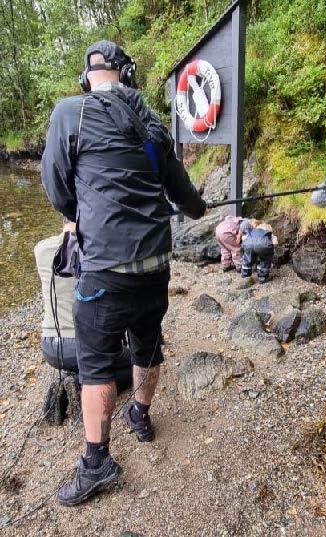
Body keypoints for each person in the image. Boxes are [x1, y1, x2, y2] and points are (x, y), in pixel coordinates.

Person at [41, 40, 206, 506]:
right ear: (126, 74)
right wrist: (199, 207)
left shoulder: (68, 113)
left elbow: (55, 184)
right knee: (147, 342)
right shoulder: (153, 122)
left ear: (87, 77)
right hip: (155, 264)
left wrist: (78, 216)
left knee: (94, 363)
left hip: (105, 272)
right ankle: (140, 414)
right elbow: (186, 196)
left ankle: (97, 464)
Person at [34, 220, 133, 425]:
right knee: (133, 363)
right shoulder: (94, 249)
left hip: (50, 347)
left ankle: (76, 374)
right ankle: (85, 386)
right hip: (85, 345)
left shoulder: (41, 249)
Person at [240, 218, 278, 283]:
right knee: (265, 259)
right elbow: (275, 242)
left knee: (248, 259)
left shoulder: (252, 230)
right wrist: (270, 250)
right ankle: (262, 277)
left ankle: (245, 275)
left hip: (249, 244)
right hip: (263, 244)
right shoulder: (268, 232)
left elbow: (244, 238)